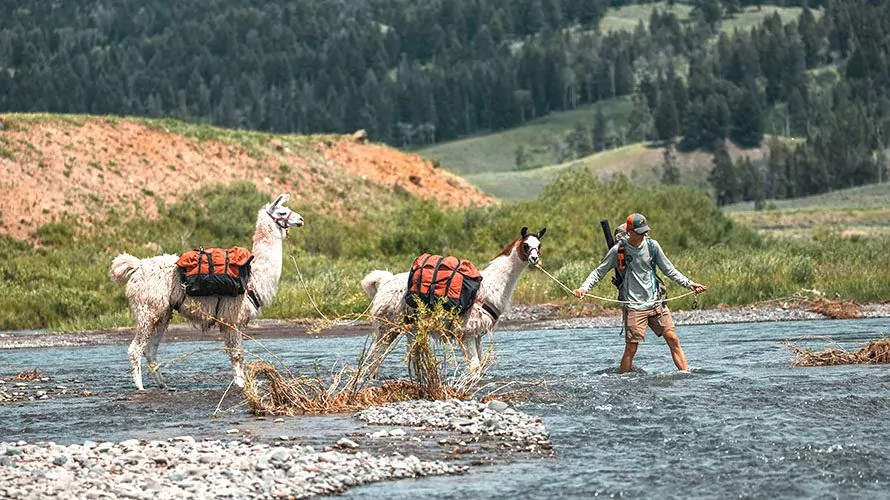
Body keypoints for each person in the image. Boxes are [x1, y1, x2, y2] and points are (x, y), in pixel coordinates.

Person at [573, 213, 708, 373]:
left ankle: (685, 374)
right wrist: (583, 289)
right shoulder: (619, 250)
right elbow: (598, 272)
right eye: (640, 232)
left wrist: (690, 284)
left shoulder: (653, 246)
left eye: (645, 231)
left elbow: (669, 270)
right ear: (629, 231)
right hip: (634, 306)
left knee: (673, 339)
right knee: (631, 348)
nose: (644, 234)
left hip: (657, 303)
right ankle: (624, 380)